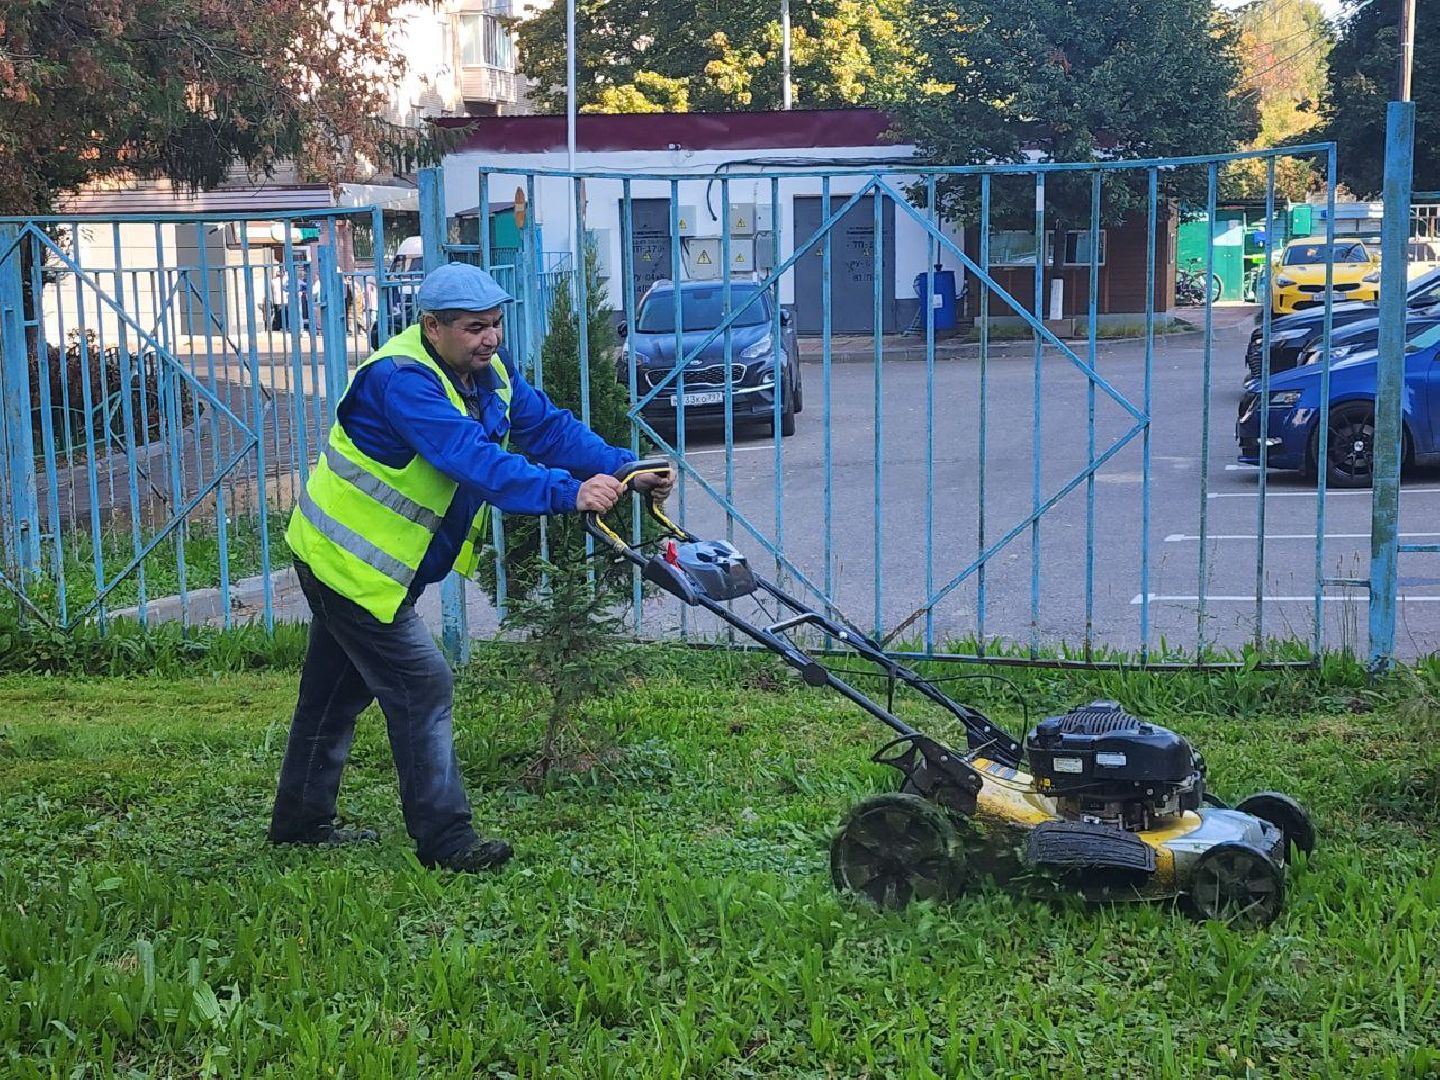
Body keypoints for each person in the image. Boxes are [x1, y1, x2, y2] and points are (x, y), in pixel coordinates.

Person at [269, 262, 671, 871]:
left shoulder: (487, 373)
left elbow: (548, 429)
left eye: (495, 324)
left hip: (376, 566)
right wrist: (569, 493)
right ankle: (447, 841)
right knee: (422, 683)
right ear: (432, 326)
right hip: (346, 565)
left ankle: (299, 823)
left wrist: (622, 467)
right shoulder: (401, 381)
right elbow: (473, 460)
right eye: (475, 328)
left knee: (333, 694)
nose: (491, 338)